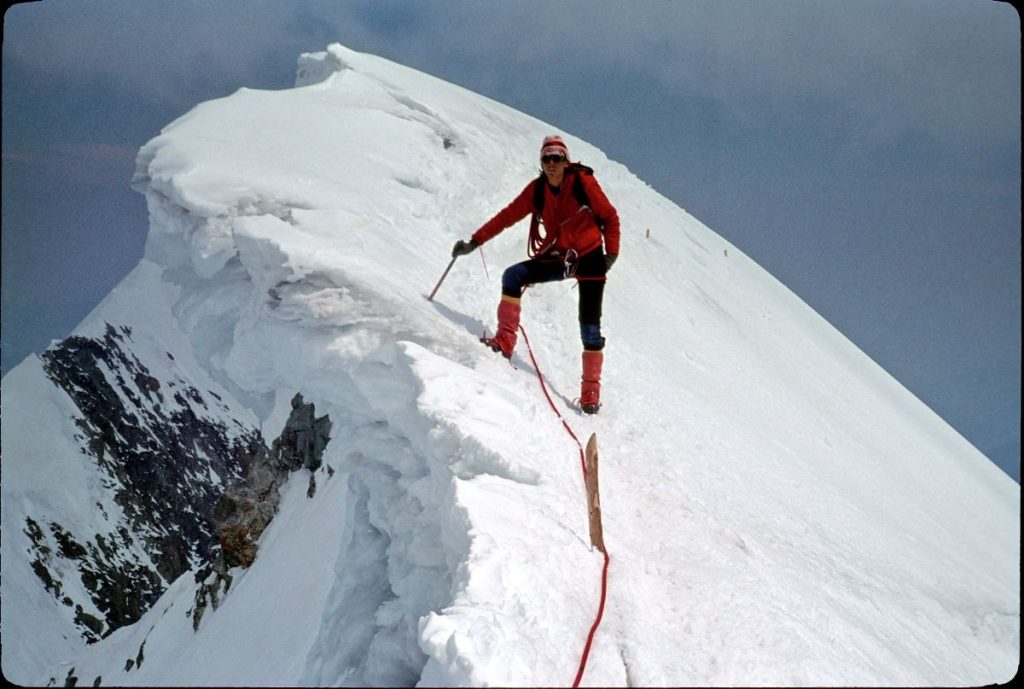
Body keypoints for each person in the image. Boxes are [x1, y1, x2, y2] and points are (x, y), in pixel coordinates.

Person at [451, 135, 620, 414]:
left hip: (590, 257)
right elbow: (507, 216)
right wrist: (474, 242)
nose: (552, 163)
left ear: (566, 161)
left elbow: (610, 216)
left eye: (557, 158)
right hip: (560, 256)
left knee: (590, 327)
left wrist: (610, 256)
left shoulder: (582, 183)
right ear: (541, 163)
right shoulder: (537, 190)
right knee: (513, 276)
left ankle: (590, 392)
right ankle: (505, 342)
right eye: (547, 158)